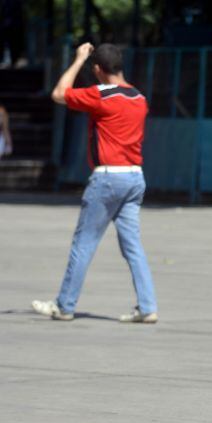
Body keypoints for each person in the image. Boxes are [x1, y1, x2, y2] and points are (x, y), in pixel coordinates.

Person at [31, 43, 158, 323]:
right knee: (132, 245)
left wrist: (77, 60)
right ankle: (148, 306)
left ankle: (64, 305)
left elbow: (59, 94)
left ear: (98, 69)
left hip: (108, 178)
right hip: (135, 177)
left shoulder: (101, 95)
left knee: (84, 242)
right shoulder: (139, 97)